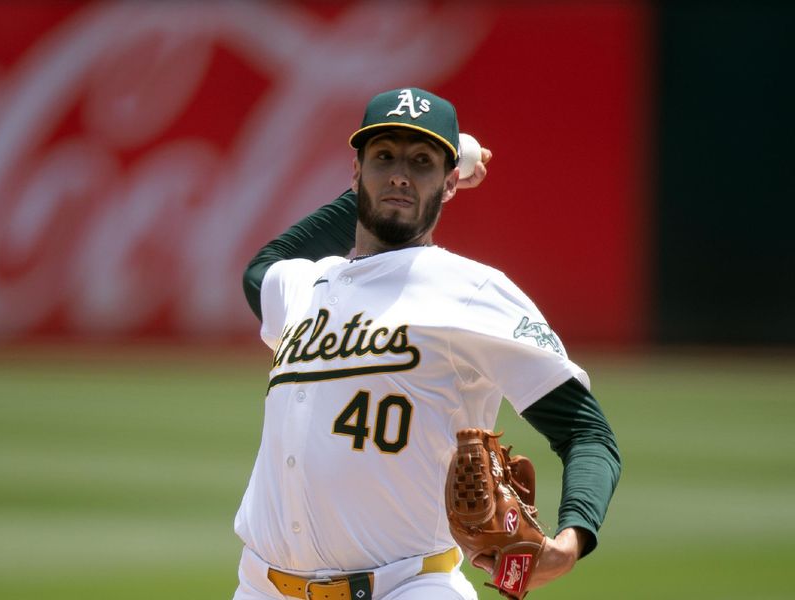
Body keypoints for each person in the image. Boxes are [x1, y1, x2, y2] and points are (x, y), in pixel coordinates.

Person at [233, 87, 621, 600]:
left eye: (422, 163)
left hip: (409, 586)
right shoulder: (303, 286)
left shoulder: (473, 291)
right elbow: (264, 266)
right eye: (383, 158)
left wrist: (570, 542)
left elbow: (587, 433)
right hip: (262, 589)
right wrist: (422, 171)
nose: (399, 174)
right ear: (355, 173)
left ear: (450, 183)